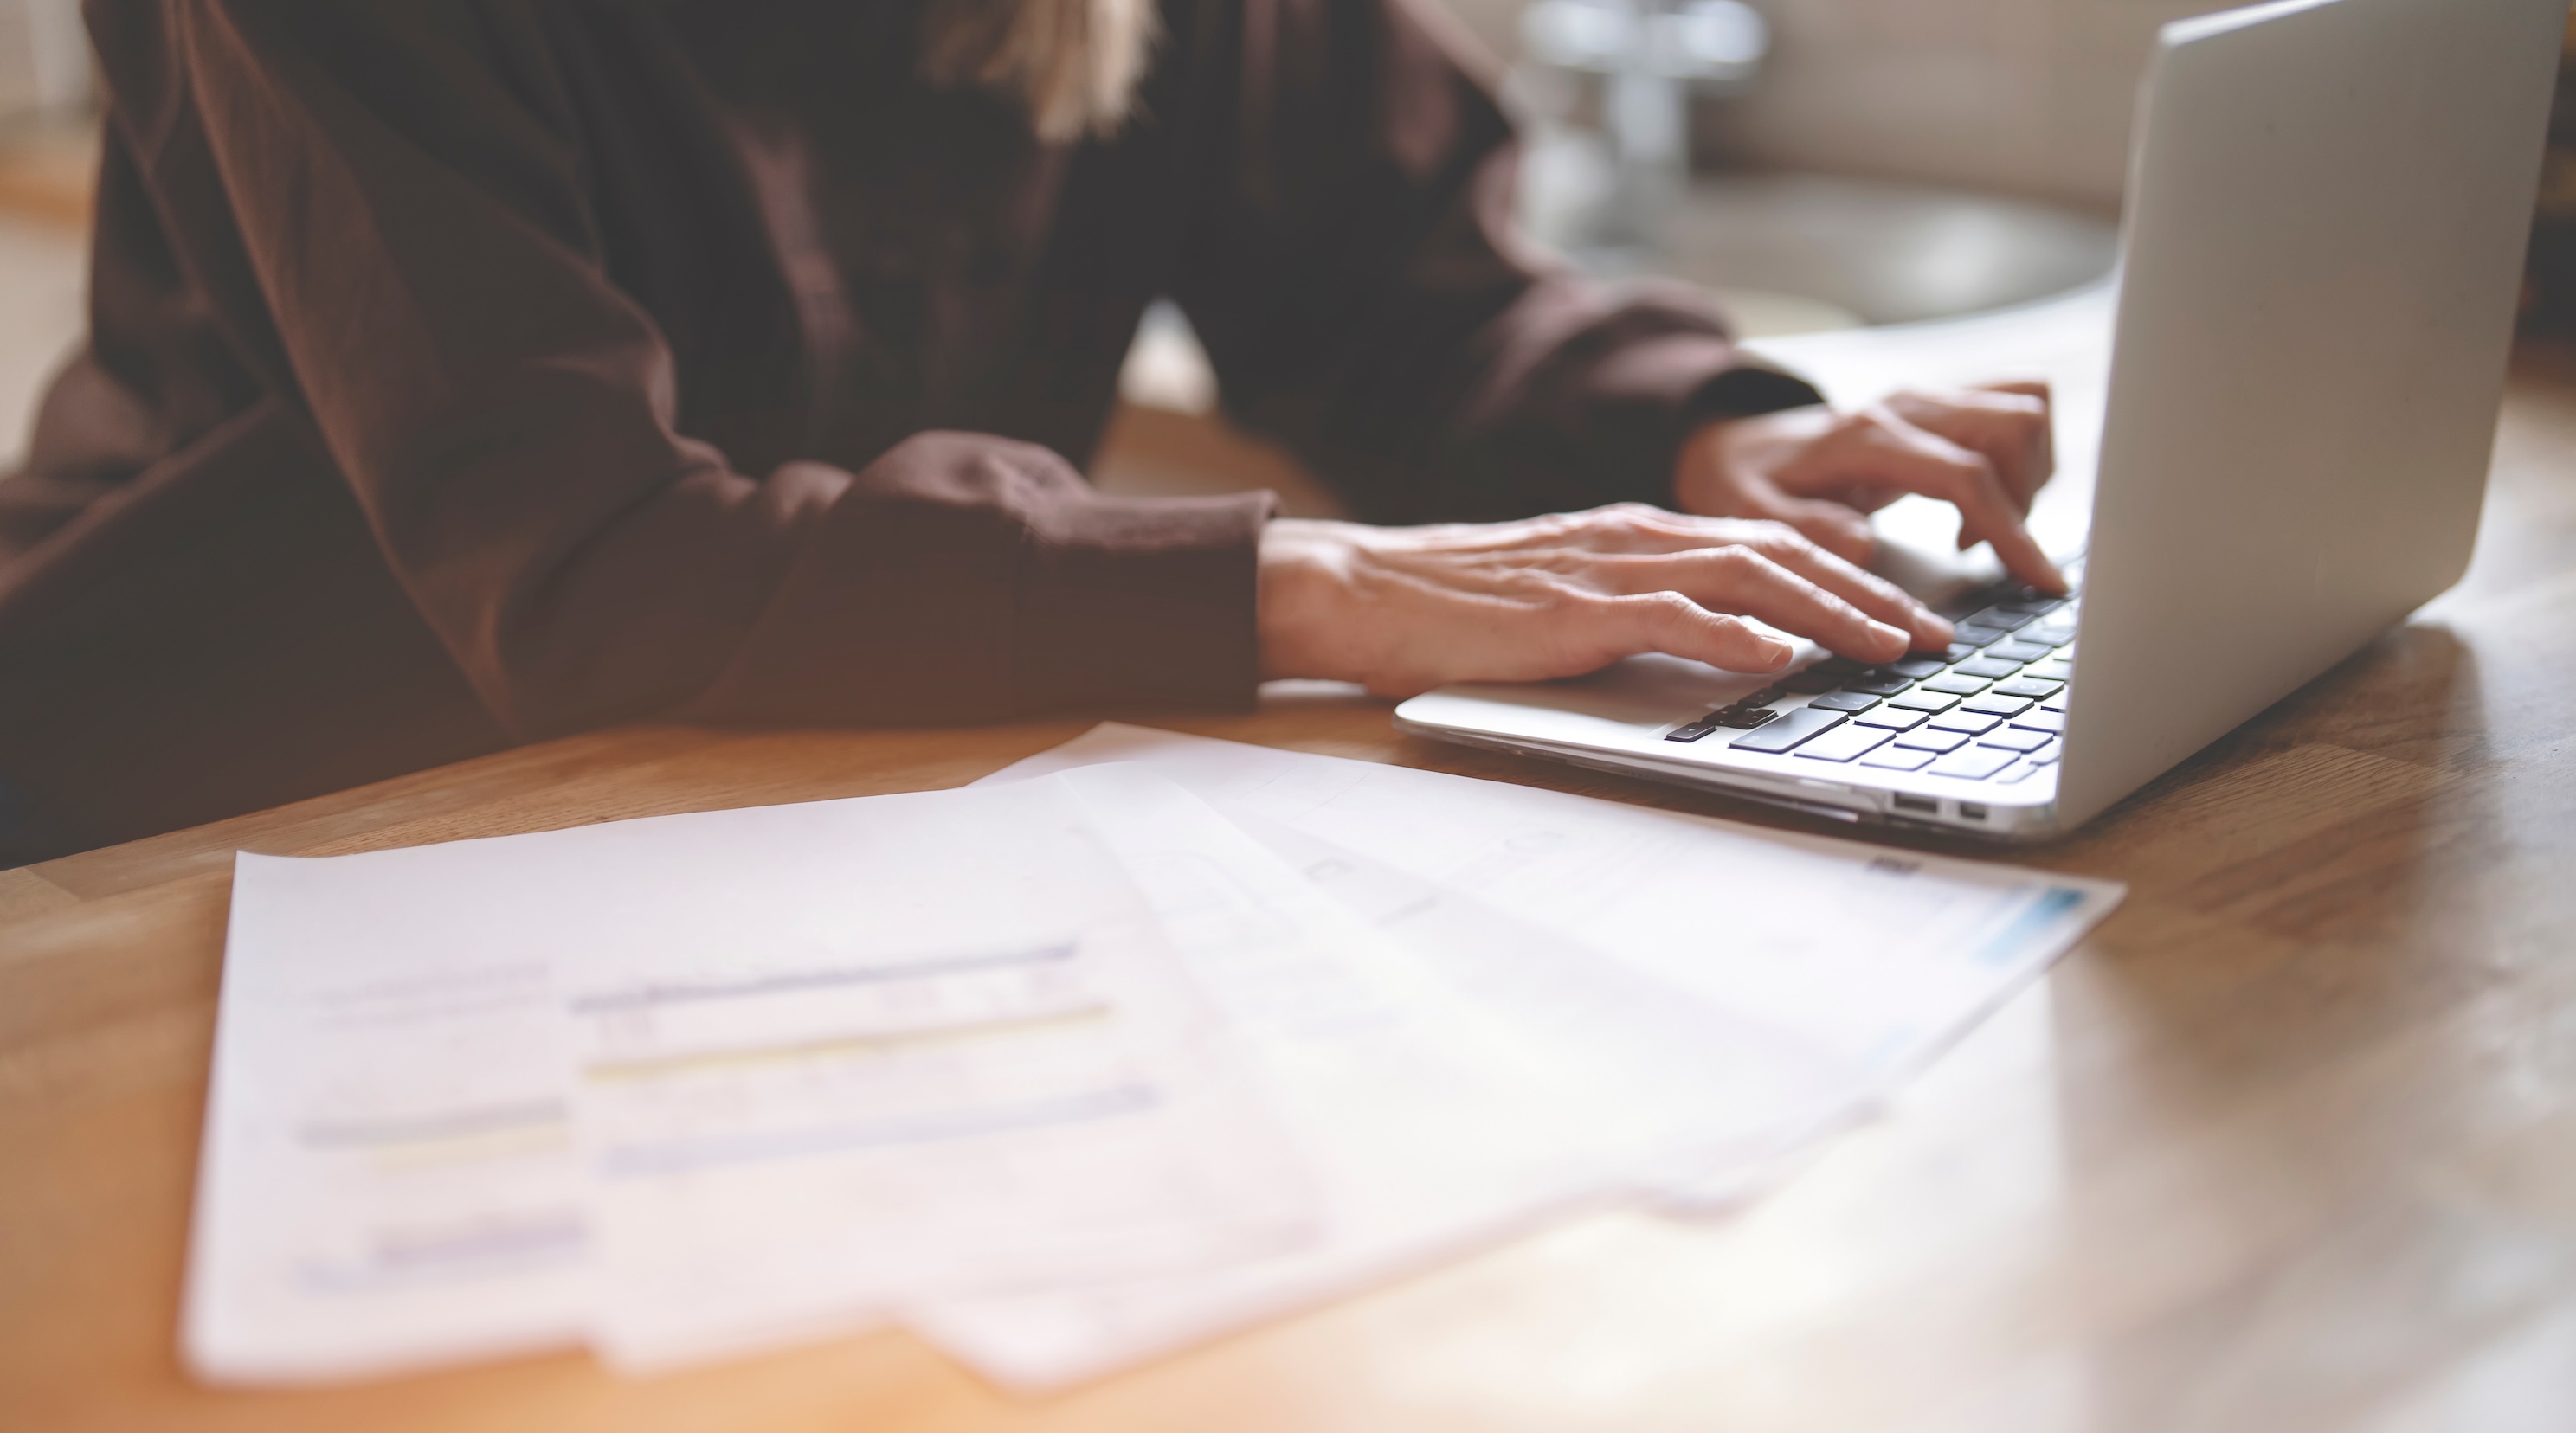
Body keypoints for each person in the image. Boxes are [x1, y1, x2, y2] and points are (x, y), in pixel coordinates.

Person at [0, 0, 2058, 864]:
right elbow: (593, 558)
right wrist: (1311, 585)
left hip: (792, 802)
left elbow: (1391, 284)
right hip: (223, 807)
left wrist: (1705, 430)